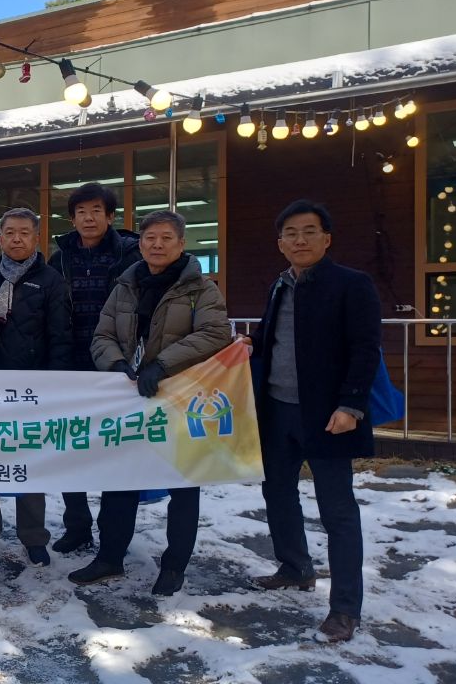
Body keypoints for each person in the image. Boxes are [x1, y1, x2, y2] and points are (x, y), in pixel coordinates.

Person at [68, 211, 231, 596]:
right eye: (150, 238)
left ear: (181, 243)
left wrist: (163, 364)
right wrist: (115, 364)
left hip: (181, 399)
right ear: (139, 243)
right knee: (119, 480)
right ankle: (110, 557)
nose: (157, 245)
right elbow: (102, 335)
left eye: (166, 238)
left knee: (183, 485)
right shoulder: (126, 285)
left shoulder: (200, 289)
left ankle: (174, 566)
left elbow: (215, 333)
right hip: (130, 398)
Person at [249, 200, 380, 643]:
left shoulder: (352, 284)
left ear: (327, 238)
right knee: (277, 491)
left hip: (328, 415)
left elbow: (366, 349)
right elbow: (272, 338)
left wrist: (351, 405)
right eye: (290, 233)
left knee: (337, 509)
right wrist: (248, 345)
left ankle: (345, 609)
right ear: (280, 243)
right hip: (277, 409)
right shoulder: (280, 285)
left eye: (309, 231)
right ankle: (295, 567)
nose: (299, 240)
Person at [0, 208, 72, 568]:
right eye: (10, 232)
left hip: (32, 385)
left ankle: (33, 536)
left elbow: (61, 336)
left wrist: (54, 383)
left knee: (28, 461)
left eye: (24, 233)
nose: (16, 239)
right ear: (0, 238)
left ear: (36, 238)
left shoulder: (51, 280)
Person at [47, 183, 141, 555]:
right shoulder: (59, 259)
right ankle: (77, 525)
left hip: (116, 365)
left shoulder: (130, 254)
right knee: (70, 446)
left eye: (97, 210)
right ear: (72, 219)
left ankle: (112, 534)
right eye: (81, 212)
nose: (89, 218)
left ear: (110, 216)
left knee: (115, 448)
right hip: (71, 363)